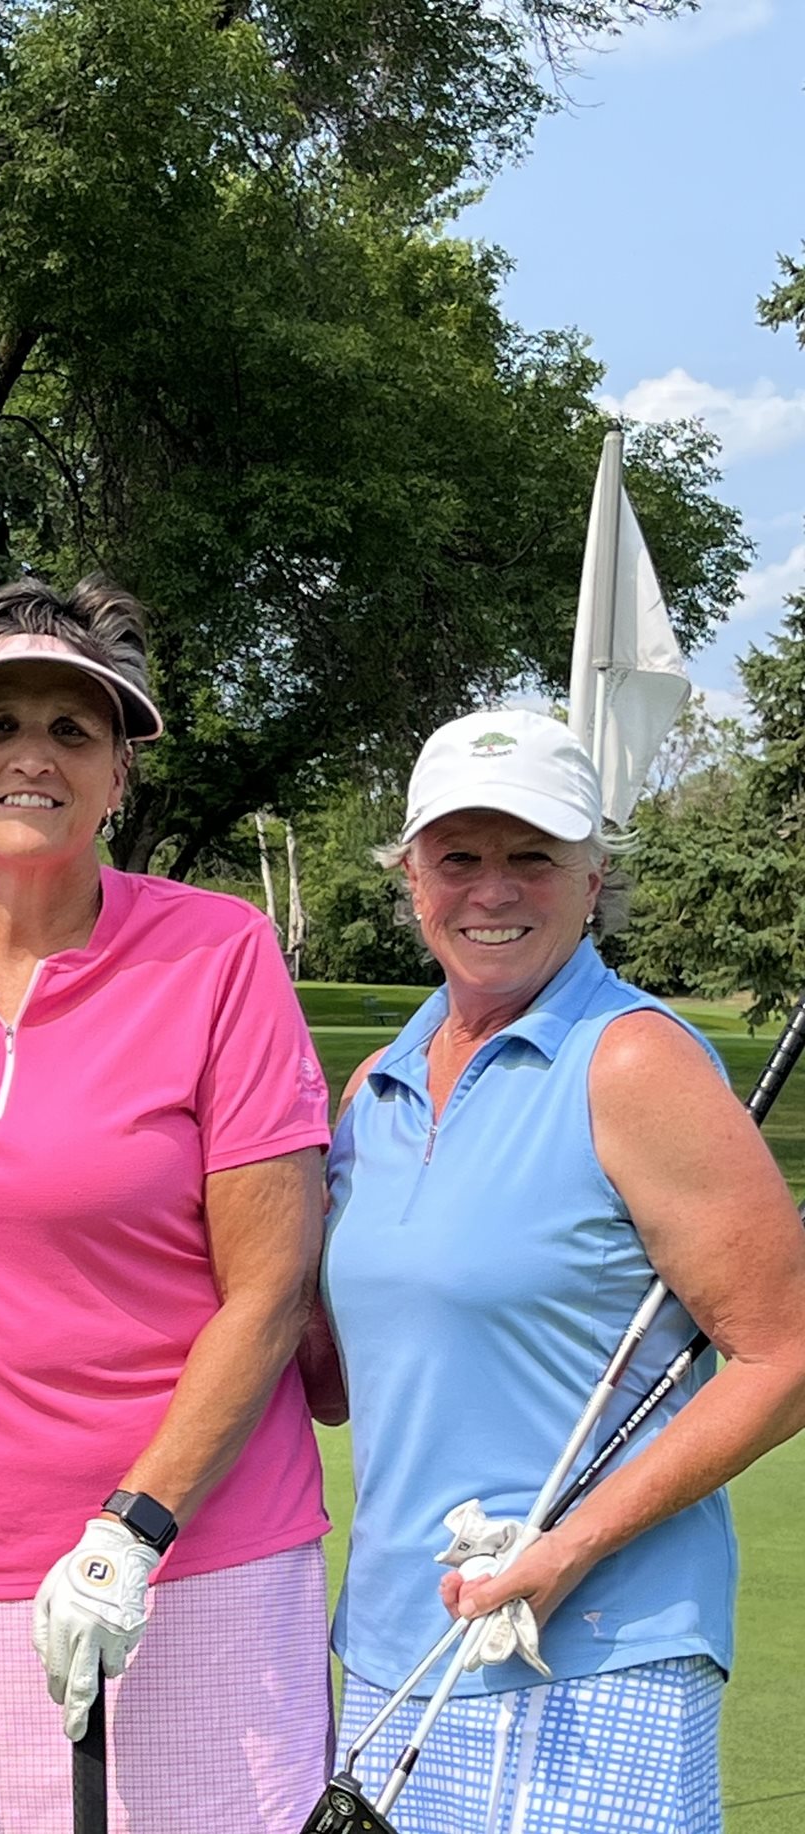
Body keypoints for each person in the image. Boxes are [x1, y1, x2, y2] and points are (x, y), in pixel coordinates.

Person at [0, 576, 335, 1834]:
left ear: (117, 775)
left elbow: (268, 1290)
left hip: (193, 1560)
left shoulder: (218, 953)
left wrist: (131, 1529)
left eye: (71, 728)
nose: (31, 757)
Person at [314, 708, 805, 1833]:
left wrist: (569, 1544)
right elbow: (336, 1382)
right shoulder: (376, 1085)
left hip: (591, 1648)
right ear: (410, 877)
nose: (491, 890)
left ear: (592, 878)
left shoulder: (632, 1060)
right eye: (458, 857)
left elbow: (782, 1355)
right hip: (396, 1645)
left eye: (532, 856)